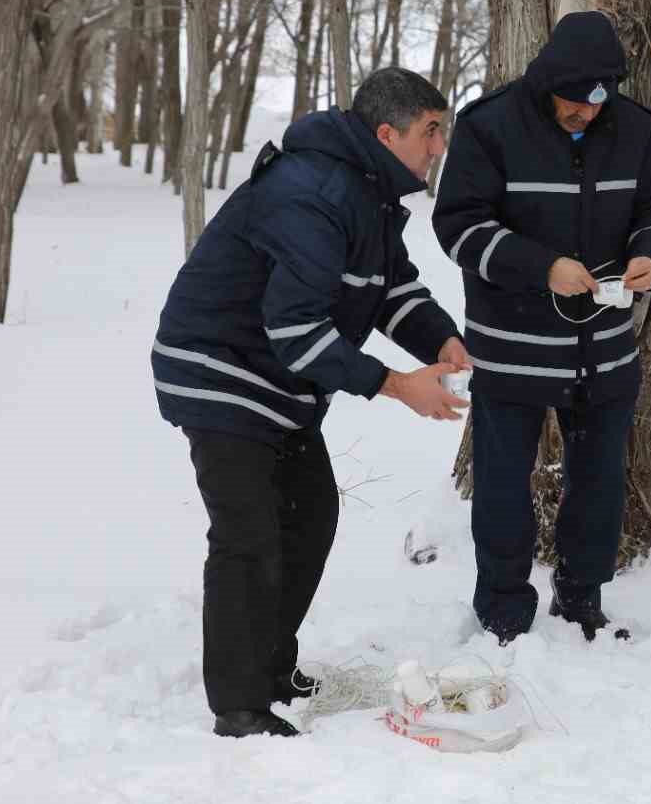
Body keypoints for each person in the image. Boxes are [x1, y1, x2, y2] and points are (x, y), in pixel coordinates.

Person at [151, 67, 471, 739]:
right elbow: (295, 328)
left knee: (311, 514)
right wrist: (394, 384)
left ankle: (271, 668)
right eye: (430, 132)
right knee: (250, 534)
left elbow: (388, 291)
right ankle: (239, 707)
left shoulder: (372, 195)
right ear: (388, 134)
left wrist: (441, 337)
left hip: (277, 379)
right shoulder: (312, 192)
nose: (438, 147)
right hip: (220, 368)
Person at [433, 11, 651, 645]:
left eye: (599, 103)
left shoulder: (633, 128)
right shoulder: (488, 126)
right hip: (513, 347)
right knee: (502, 488)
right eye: (575, 103)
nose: (586, 115)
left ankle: (581, 600)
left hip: (604, 348)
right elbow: (458, 227)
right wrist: (542, 267)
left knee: (599, 484)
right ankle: (503, 610)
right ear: (548, 82)